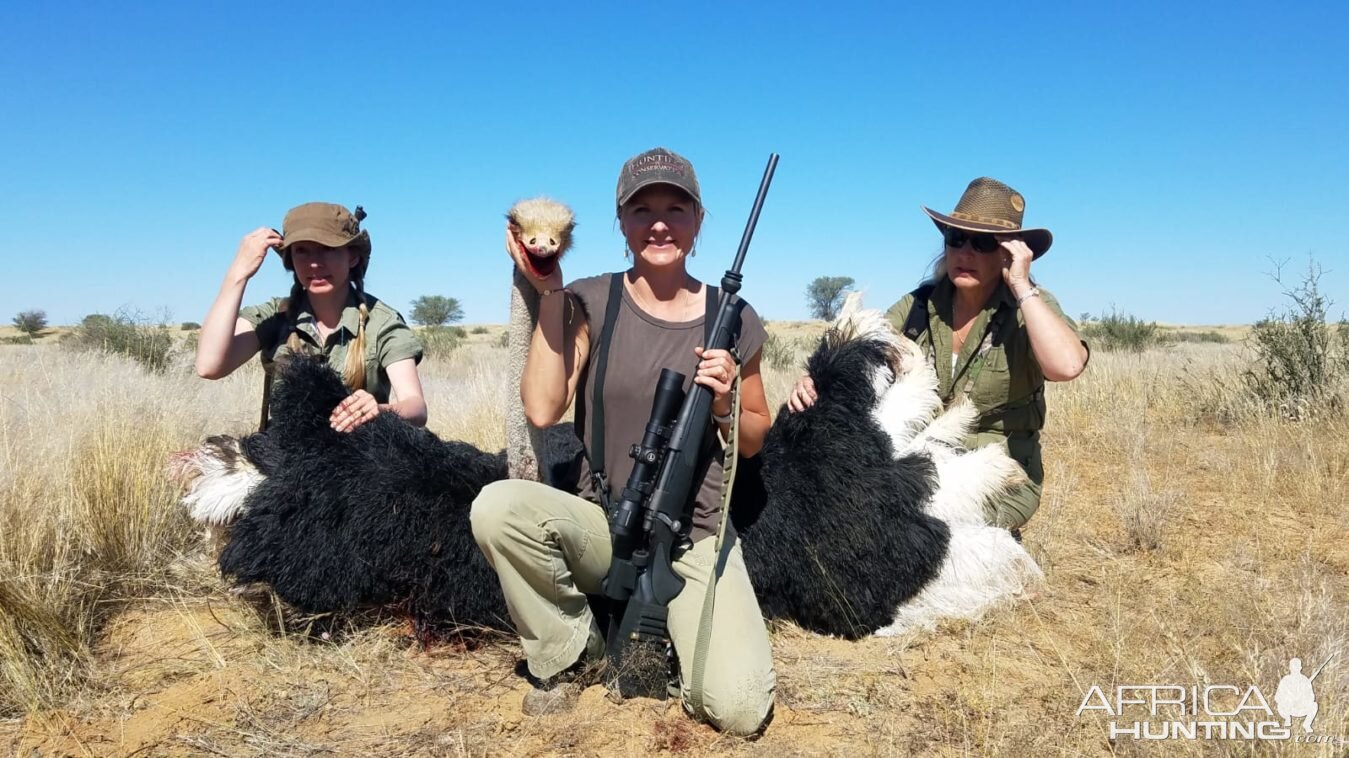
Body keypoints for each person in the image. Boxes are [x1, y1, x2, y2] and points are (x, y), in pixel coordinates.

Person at [470, 148, 776, 734]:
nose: (659, 223)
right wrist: (552, 294)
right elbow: (542, 406)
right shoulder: (590, 298)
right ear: (620, 222)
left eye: (675, 208)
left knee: (738, 709)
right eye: (642, 210)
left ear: (699, 219)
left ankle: (667, 642)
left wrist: (724, 400)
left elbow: (755, 437)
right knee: (498, 508)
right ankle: (571, 651)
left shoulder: (734, 316)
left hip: (696, 535)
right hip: (604, 522)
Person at [788, 177, 1088, 532]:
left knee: (914, 525)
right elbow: (862, 345)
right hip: (922, 459)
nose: (966, 252)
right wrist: (816, 379)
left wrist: (1022, 285)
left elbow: (1066, 366)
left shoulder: (1031, 307)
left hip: (997, 470)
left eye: (983, 243)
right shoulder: (920, 304)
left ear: (1010, 252)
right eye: (956, 238)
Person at [196, 202, 427, 431]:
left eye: (328, 249)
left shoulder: (381, 321)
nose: (314, 263)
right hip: (284, 456)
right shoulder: (274, 316)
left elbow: (416, 407)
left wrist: (379, 410)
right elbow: (209, 366)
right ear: (291, 260)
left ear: (352, 257)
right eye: (302, 251)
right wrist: (238, 274)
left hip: (360, 457)